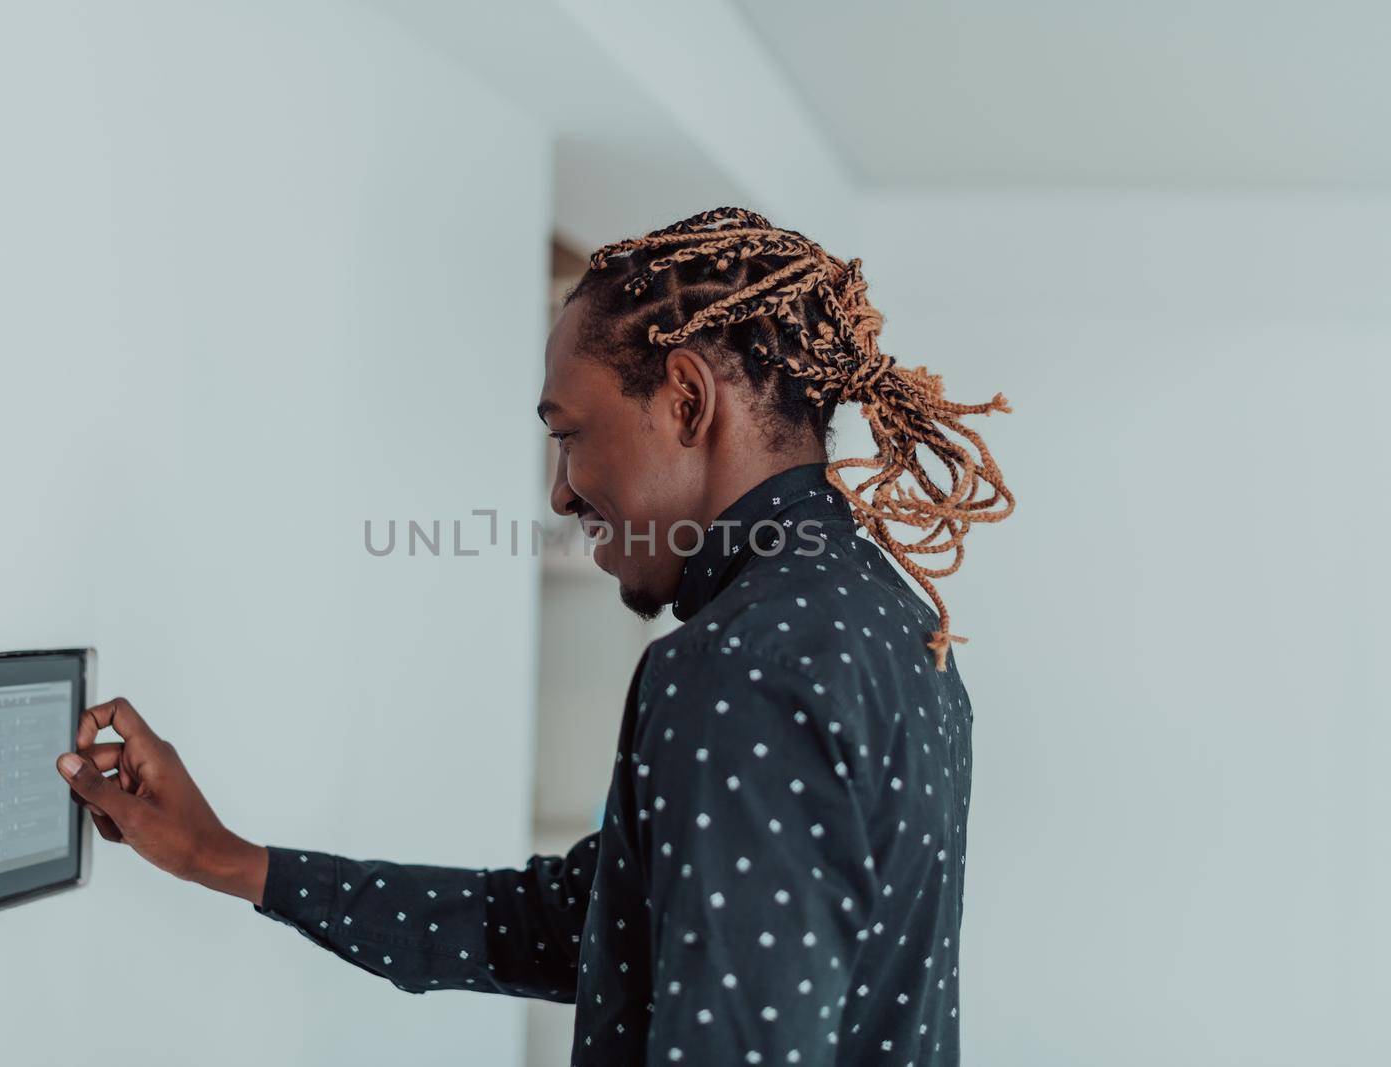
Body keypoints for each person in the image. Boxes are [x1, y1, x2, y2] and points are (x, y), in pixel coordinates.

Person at [54, 206, 1015, 1065]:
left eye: (567, 432)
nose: (559, 491)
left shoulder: (733, 668)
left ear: (686, 400)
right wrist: (224, 856)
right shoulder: (894, 617)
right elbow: (572, 924)